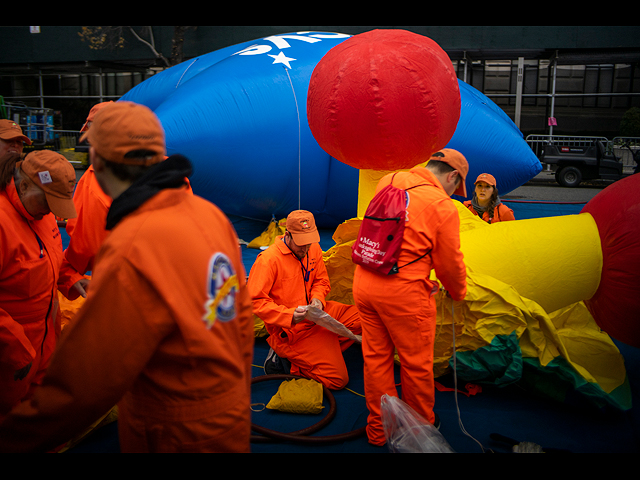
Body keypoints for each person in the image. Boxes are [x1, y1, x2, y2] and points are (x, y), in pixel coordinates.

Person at [0, 101, 254, 453]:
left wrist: (13, 439)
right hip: (230, 409)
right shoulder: (210, 215)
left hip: (170, 428)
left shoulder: (132, 245)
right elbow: (239, 311)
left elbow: (87, 380)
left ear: (99, 162)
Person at [352, 148, 469, 447]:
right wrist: (459, 292)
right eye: (457, 186)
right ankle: (418, 435)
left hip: (364, 282)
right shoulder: (443, 205)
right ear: (453, 176)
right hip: (403, 294)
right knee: (415, 365)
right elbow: (449, 263)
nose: (455, 193)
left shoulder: (388, 181)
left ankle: (378, 431)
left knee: (376, 360)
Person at [0, 149, 77, 421]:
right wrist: (15, 348)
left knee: (38, 419)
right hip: (10, 357)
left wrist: (72, 280)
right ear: (23, 185)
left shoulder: (43, 216)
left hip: (44, 344)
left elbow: (51, 259)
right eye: (47, 201)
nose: (50, 211)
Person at [248, 210, 362, 390]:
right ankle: (286, 362)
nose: (306, 248)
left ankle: (322, 349)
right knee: (337, 380)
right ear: (287, 235)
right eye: (301, 243)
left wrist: (317, 300)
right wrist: (290, 315)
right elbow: (255, 302)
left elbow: (321, 280)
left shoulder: (312, 247)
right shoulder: (268, 261)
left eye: (309, 242)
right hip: (293, 330)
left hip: (319, 316)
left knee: (367, 319)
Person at [57, 101, 113, 300]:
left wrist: (66, 273)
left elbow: (83, 243)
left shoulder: (93, 181)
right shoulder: (169, 170)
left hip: (117, 287)